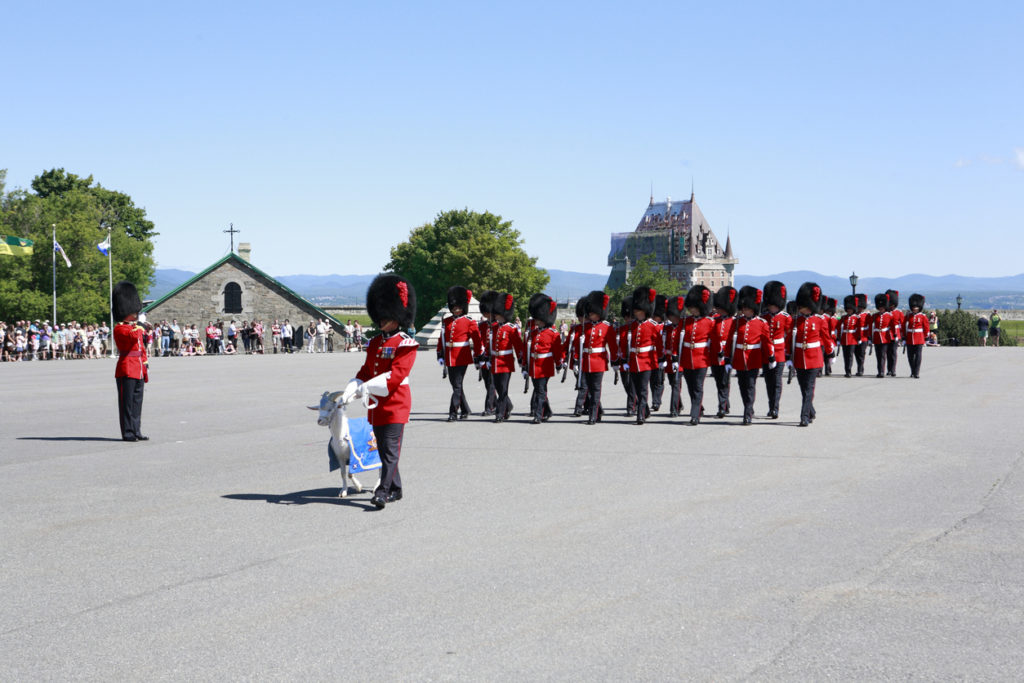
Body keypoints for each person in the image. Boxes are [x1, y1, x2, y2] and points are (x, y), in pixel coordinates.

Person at [342, 274, 418, 509]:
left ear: (396, 319)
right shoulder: (375, 343)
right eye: (381, 318)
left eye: (386, 318)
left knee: (391, 451)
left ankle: (382, 492)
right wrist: (351, 388)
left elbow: (395, 376)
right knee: (385, 449)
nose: (381, 322)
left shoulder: (405, 343)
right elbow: (366, 370)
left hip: (395, 404)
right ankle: (396, 488)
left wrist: (365, 387)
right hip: (376, 405)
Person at [788, 283, 834, 427]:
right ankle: (811, 411)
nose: (800, 308)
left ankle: (804, 416)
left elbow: (826, 338)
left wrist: (830, 353)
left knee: (808, 388)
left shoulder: (819, 320)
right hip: (799, 359)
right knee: (804, 389)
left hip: (814, 358)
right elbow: (789, 339)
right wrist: (788, 356)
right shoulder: (795, 321)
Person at [726, 286, 774, 425]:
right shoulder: (736, 322)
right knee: (742, 386)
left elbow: (767, 341)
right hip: (740, 358)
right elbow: (730, 340)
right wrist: (728, 358)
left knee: (751, 386)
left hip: (753, 358)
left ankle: (747, 413)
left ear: (753, 309)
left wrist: (771, 356)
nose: (745, 311)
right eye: (744, 309)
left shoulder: (761, 323)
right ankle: (749, 407)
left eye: (748, 309)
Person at [437, 286, 482, 421]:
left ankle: (452, 412)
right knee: (456, 385)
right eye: (454, 307)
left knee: (457, 385)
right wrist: (440, 353)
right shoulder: (447, 321)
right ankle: (465, 409)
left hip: (462, 357)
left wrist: (479, 355)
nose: (456, 310)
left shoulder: (469, 321)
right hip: (449, 357)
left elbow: (477, 340)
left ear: (463, 307)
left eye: (459, 307)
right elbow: (442, 338)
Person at [112, 281, 149, 442]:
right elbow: (132, 338)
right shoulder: (120, 328)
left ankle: (136, 429)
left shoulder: (134, 327)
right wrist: (139, 326)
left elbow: (141, 346)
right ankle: (127, 432)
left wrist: (145, 363)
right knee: (126, 404)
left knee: (136, 403)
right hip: (126, 368)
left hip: (138, 368)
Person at [621, 286, 664, 425]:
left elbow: (659, 344)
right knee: (637, 389)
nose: (636, 313)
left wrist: (661, 359)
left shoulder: (653, 326)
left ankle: (640, 415)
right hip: (634, 361)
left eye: (638, 311)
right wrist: (624, 359)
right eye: (635, 310)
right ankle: (645, 410)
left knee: (643, 388)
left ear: (645, 311)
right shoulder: (632, 325)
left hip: (647, 361)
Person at [524, 293, 564, 424]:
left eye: (539, 319)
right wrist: (525, 365)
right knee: (540, 390)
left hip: (545, 366)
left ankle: (538, 415)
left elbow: (557, 351)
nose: (536, 321)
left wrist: (559, 364)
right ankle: (547, 411)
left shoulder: (553, 334)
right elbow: (528, 350)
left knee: (540, 391)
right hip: (534, 366)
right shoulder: (533, 333)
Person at [577, 290, 615, 424]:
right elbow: (577, 346)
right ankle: (597, 413)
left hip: (599, 361)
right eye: (590, 313)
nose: (590, 315)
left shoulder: (606, 327)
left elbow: (612, 345)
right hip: (586, 361)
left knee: (596, 389)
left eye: (592, 313)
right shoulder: (584, 327)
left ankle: (592, 415)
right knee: (590, 390)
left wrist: (615, 362)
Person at [489, 292, 525, 422]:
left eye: (498, 314)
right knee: (498, 388)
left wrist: (521, 359)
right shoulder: (493, 327)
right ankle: (508, 406)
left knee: (503, 389)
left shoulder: (511, 329)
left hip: (506, 362)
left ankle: (500, 413)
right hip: (495, 361)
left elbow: (518, 346)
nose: (496, 316)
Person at [761, 281, 791, 420]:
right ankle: (770, 405)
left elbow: (790, 336)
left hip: (779, 352)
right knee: (769, 382)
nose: (771, 308)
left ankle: (775, 408)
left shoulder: (786, 318)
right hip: (766, 353)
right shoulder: (764, 318)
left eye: (774, 305)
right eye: (770, 305)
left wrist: (789, 354)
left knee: (777, 381)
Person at [709, 286, 737, 418]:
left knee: (725, 382)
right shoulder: (714, 321)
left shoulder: (734, 322)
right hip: (715, 355)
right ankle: (726, 404)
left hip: (727, 355)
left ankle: (722, 407)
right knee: (719, 382)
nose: (717, 309)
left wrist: (728, 354)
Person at [477, 291, 500, 417]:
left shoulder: (499, 326)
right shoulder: (482, 325)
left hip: (494, 359)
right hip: (484, 360)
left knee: (492, 384)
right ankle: (506, 404)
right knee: (487, 384)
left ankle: (489, 407)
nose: (486, 315)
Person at [904, 294, 928, 378]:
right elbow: (904, 326)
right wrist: (904, 337)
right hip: (910, 339)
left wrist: (925, 338)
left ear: (919, 307)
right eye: (913, 307)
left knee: (918, 356)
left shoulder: (923, 316)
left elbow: (926, 328)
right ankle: (912, 371)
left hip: (919, 339)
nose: (915, 308)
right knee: (910, 356)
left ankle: (916, 372)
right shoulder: (908, 316)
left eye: (916, 307)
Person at [870, 293, 893, 378]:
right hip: (876, 338)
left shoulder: (889, 316)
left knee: (883, 355)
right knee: (878, 356)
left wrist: (892, 336)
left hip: (885, 338)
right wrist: (870, 337)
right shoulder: (875, 315)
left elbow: (892, 327)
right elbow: (870, 326)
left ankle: (882, 372)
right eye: (879, 307)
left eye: (882, 307)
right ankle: (879, 371)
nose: (881, 309)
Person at [838, 296, 860, 378]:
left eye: (850, 309)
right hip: (844, 339)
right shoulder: (843, 318)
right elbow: (839, 328)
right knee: (845, 356)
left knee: (850, 356)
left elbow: (858, 329)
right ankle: (846, 370)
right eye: (848, 309)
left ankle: (849, 371)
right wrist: (838, 337)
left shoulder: (856, 318)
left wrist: (858, 338)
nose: (849, 310)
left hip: (852, 339)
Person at [885, 290, 903, 376]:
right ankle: (889, 369)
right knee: (887, 353)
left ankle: (893, 369)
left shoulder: (899, 312)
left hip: (895, 334)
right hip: (886, 334)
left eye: (892, 305)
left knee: (893, 353)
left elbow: (902, 324)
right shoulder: (886, 312)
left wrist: (902, 336)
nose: (890, 307)